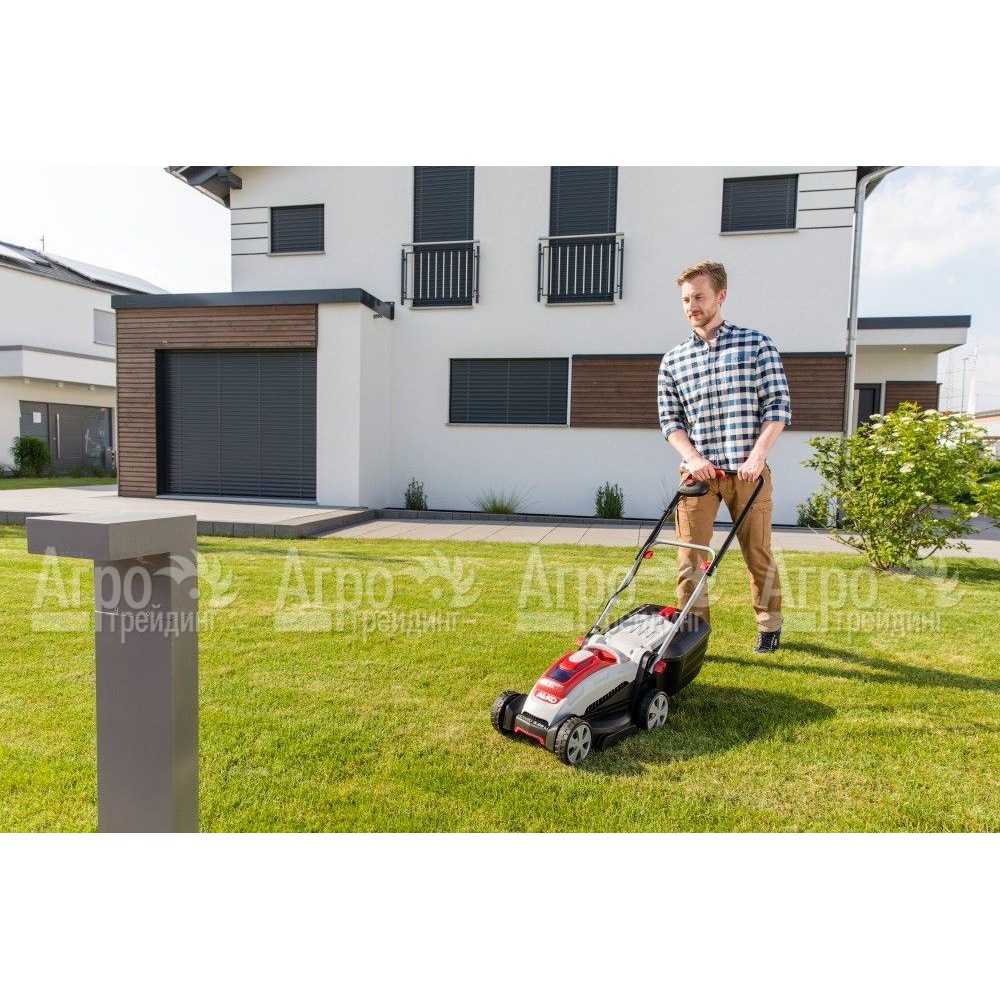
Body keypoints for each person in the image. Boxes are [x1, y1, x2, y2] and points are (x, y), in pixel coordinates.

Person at [656, 260, 791, 653]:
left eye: (699, 297)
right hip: (699, 477)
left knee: (758, 554)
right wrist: (693, 457)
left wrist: (757, 456)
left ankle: (769, 625)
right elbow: (670, 420)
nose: (692, 306)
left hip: (748, 473)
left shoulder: (756, 345)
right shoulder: (674, 360)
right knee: (689, 560)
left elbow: (778, 407)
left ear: (721, 296)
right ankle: (693, 635)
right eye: (686, 299)